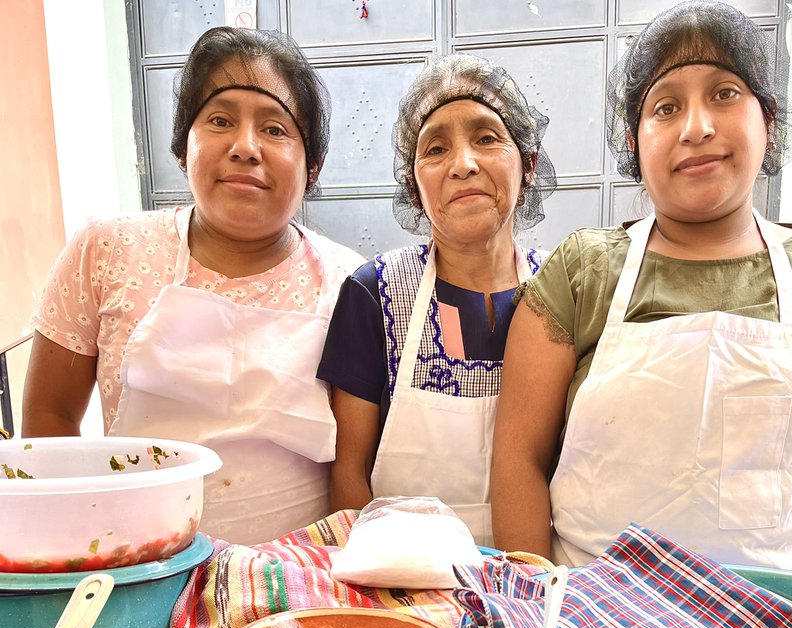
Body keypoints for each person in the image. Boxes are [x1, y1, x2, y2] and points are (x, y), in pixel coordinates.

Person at [491, 0, 792, 589]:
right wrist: (540, 619)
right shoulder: (580, 273)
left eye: (725, 94)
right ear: (633, 141)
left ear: (770, 120)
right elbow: (519, 462)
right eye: (666, 107)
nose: (697, 126)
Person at [23, 27, 362, 545]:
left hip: (291, 583)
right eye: (221, 120)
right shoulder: (106, 250)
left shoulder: (349, 284)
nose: (246, 148)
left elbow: (355, 466)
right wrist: (76, 543)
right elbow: (49, 418)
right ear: (184, 145)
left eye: (275, 130)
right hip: (136, 573)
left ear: (311, 165)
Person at [317, 54, 557, 546]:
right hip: (404, 590)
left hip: (532, 582)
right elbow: (348, 473)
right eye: (436, 149)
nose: (463, 164)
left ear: (528, 164)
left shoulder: (563, 290)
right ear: (414, 184)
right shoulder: (372, 293)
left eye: (487, 138)